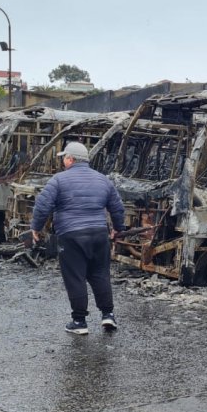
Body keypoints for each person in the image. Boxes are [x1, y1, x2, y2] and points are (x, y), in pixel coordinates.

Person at [30, 141, 125, 335]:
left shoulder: (58, 180)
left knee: (75, 277)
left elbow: (42, 205)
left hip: (71, 235)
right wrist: (117, 229)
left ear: (70, 159)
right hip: (99, 234)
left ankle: (79, 321)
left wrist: (36, 228)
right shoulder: (103, 180)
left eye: (64, 157)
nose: (63, 161)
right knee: (100, 274)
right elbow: (117, 207)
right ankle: (108, 315)